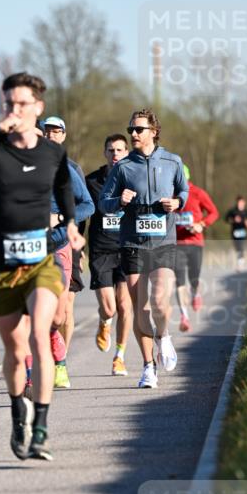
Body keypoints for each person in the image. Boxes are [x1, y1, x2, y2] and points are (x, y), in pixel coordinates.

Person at [0, 72, 84, 461]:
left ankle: (41, 427)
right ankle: (17, 412)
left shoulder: (52, 153)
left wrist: (71, 225)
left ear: (38, 108)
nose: (15, 110)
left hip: (40, 260)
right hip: (2, 266)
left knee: (40, 334)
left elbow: (63, 189)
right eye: (9, 103)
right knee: (15, 346)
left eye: (22, 104)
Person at [99, 109, 188, 390]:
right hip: (133, 243)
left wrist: (178, 203)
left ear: (153, 131)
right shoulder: (122, 167)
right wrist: (119, 201)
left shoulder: (172, 161)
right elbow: (104, 202)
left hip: (163, 240)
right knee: (141, 308)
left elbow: (184, 191)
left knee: (160, 302)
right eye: (131, 130)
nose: (134, 134)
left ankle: (164, 337)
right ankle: (149, 366)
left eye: (138, 129)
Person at [40, 115, 94, 390]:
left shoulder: (70, 169)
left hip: (62, 244)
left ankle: (58, 358)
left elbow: (87, 205)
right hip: (30, 249)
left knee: (60, 315)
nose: (50, 135)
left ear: (63, 135)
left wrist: (61, 219)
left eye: (55, 131)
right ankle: (38, 370)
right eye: (45, 131)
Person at [85, 134, 133, 375]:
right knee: (110, 307)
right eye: (111, 150)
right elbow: (82, 211)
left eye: (120, 150)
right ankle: (104, 322)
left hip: (127, 248)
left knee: (125, 305)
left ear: (127, 152)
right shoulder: (92, 181)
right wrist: (76, 243)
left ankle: (120, 356)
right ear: (105, 153)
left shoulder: (134, 179)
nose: (115, 155)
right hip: (101, 250)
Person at [174, 164, 219, 332]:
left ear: (187, 178)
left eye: (181, 179)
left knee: (194, 277)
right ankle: (184, 316)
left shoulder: (198, 193)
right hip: (177, 244)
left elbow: (214, 212)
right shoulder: (170, 195)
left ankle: (195, 293)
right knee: (179, 281)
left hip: (195, 242)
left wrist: (201, 224)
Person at [225, 196, 247, 271]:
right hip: (235, 231)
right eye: (239, 202)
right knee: (237, 247)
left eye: (242, 202)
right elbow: (226, 219)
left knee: (241, 247)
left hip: (243, 231)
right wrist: (233, 220)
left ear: (244, 203)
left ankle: (240, 264)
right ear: (237, 202)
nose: (241, 204)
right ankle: (240, 262)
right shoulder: (232, 211)